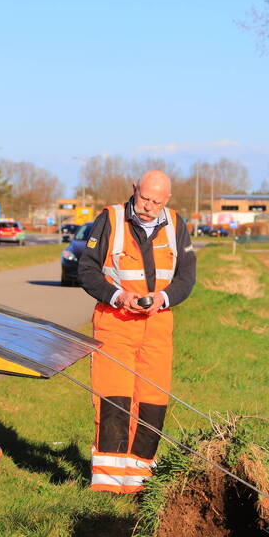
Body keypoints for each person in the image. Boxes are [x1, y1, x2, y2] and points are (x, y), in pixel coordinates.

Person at [77, 170, 196, 493]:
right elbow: (86, 270)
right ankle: (110, 484)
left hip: (158, 325)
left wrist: (163, 298)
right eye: (145, 198)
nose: (149, 206)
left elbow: (186, 278)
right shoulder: (110, 220)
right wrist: (119, 296)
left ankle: (140, 480)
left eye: (157, 201)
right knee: (114, 398)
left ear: (167, 200)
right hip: (116, 323)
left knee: (153, 401)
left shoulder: (175, 224)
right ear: (134, 190)